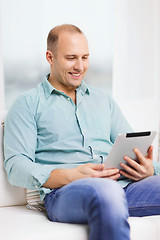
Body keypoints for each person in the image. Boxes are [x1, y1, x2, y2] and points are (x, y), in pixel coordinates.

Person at [4, 24, 160, 240]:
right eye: (71, 58)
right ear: (50, 57)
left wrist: (149, 169)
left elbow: (135, 148)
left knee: (112, 190)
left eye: (85, 57)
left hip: (124, 185)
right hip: (66, 193)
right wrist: (72, 175)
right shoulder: (27, 104)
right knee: (107, 192)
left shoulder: (103, 100)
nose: (80, 66)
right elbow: (16, 166)